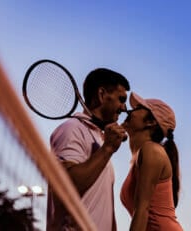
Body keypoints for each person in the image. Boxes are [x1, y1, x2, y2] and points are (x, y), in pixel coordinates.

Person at [46, 68, 130, 231]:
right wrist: (107, 149)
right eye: (121, 99)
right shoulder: (71, 129)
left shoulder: (99, 138)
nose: (124, 107)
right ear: (101, 94)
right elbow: (67, 187)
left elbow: (105, 207)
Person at [120, 92, 183, 231]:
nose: (130, 111)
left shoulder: (151, 151)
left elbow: (142, 210)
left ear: (151, 122)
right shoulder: (141, 156)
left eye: (137, 108)